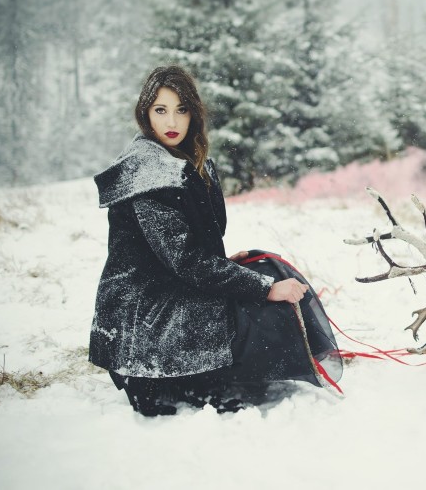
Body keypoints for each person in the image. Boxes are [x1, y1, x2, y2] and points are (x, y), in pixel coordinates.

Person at [89, 65, 323, 416]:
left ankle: (216, 370)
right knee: (261, 299)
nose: (172, 121)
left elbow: (186, 252)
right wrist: (261, 288)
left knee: (266, 274)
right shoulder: (147, 174)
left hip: (171, 287)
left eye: (181, 110)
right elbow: (185, 262)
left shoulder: (186, 162)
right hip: (144, 318)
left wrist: (233, 265)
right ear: (145, 113)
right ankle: (192, 379)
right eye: (161, 110)